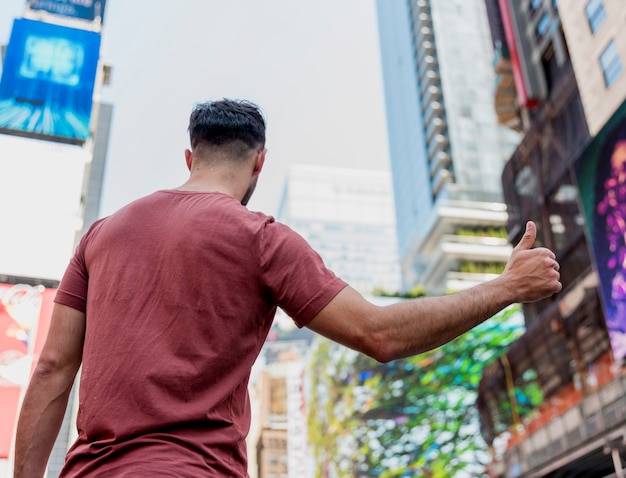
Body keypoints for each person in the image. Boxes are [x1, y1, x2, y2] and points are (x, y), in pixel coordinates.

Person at [13, 99, 562, 477]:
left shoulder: (101, 235)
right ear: (259, 163)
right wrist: (506, 287)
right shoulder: (261, 238)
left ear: (190, 156)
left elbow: (51, 369)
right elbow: (380, 334)